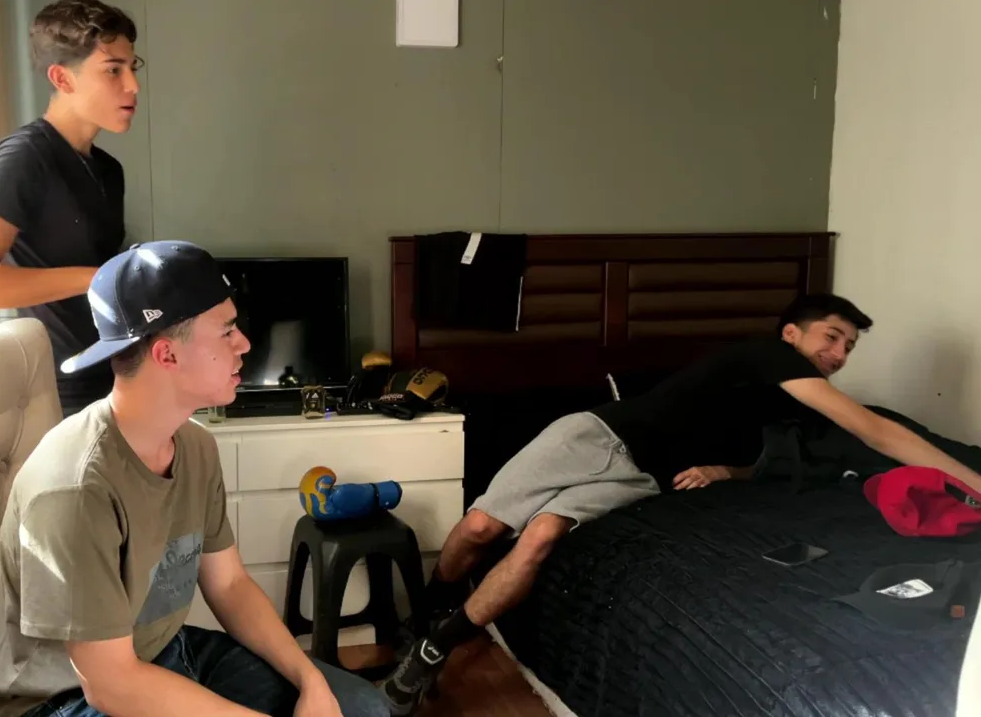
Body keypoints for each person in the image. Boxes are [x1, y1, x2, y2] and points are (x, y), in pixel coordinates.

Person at [379, 293, 981, 715]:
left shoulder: (792, 403)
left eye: (849, 346)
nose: (840, 354)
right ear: (791, 334)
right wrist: (972, 480)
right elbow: (875, 431)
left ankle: (429, 653)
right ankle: (423, 619)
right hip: (598, 436)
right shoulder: (769, 357)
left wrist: (727, 471)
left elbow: (777, 456)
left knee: (539, 539)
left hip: (640, 480)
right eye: (832, 336)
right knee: (481, 527)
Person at [0, 241, 389, 717]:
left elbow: (229, 585)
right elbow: (109, 686)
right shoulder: (76, 488)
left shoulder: (195, 447)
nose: (244, 344)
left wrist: (310, 680)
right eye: (227, 331)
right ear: (167, 354)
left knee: (360, 707)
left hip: (164, 652)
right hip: (63, 697)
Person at [0, 0, 140, 416]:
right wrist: (97, 278)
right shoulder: (24, 157)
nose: (133, 86)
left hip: (113, 380)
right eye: (113, 70)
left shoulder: (109, 171)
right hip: (55, 394)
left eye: (132, 67)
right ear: (62, 77)